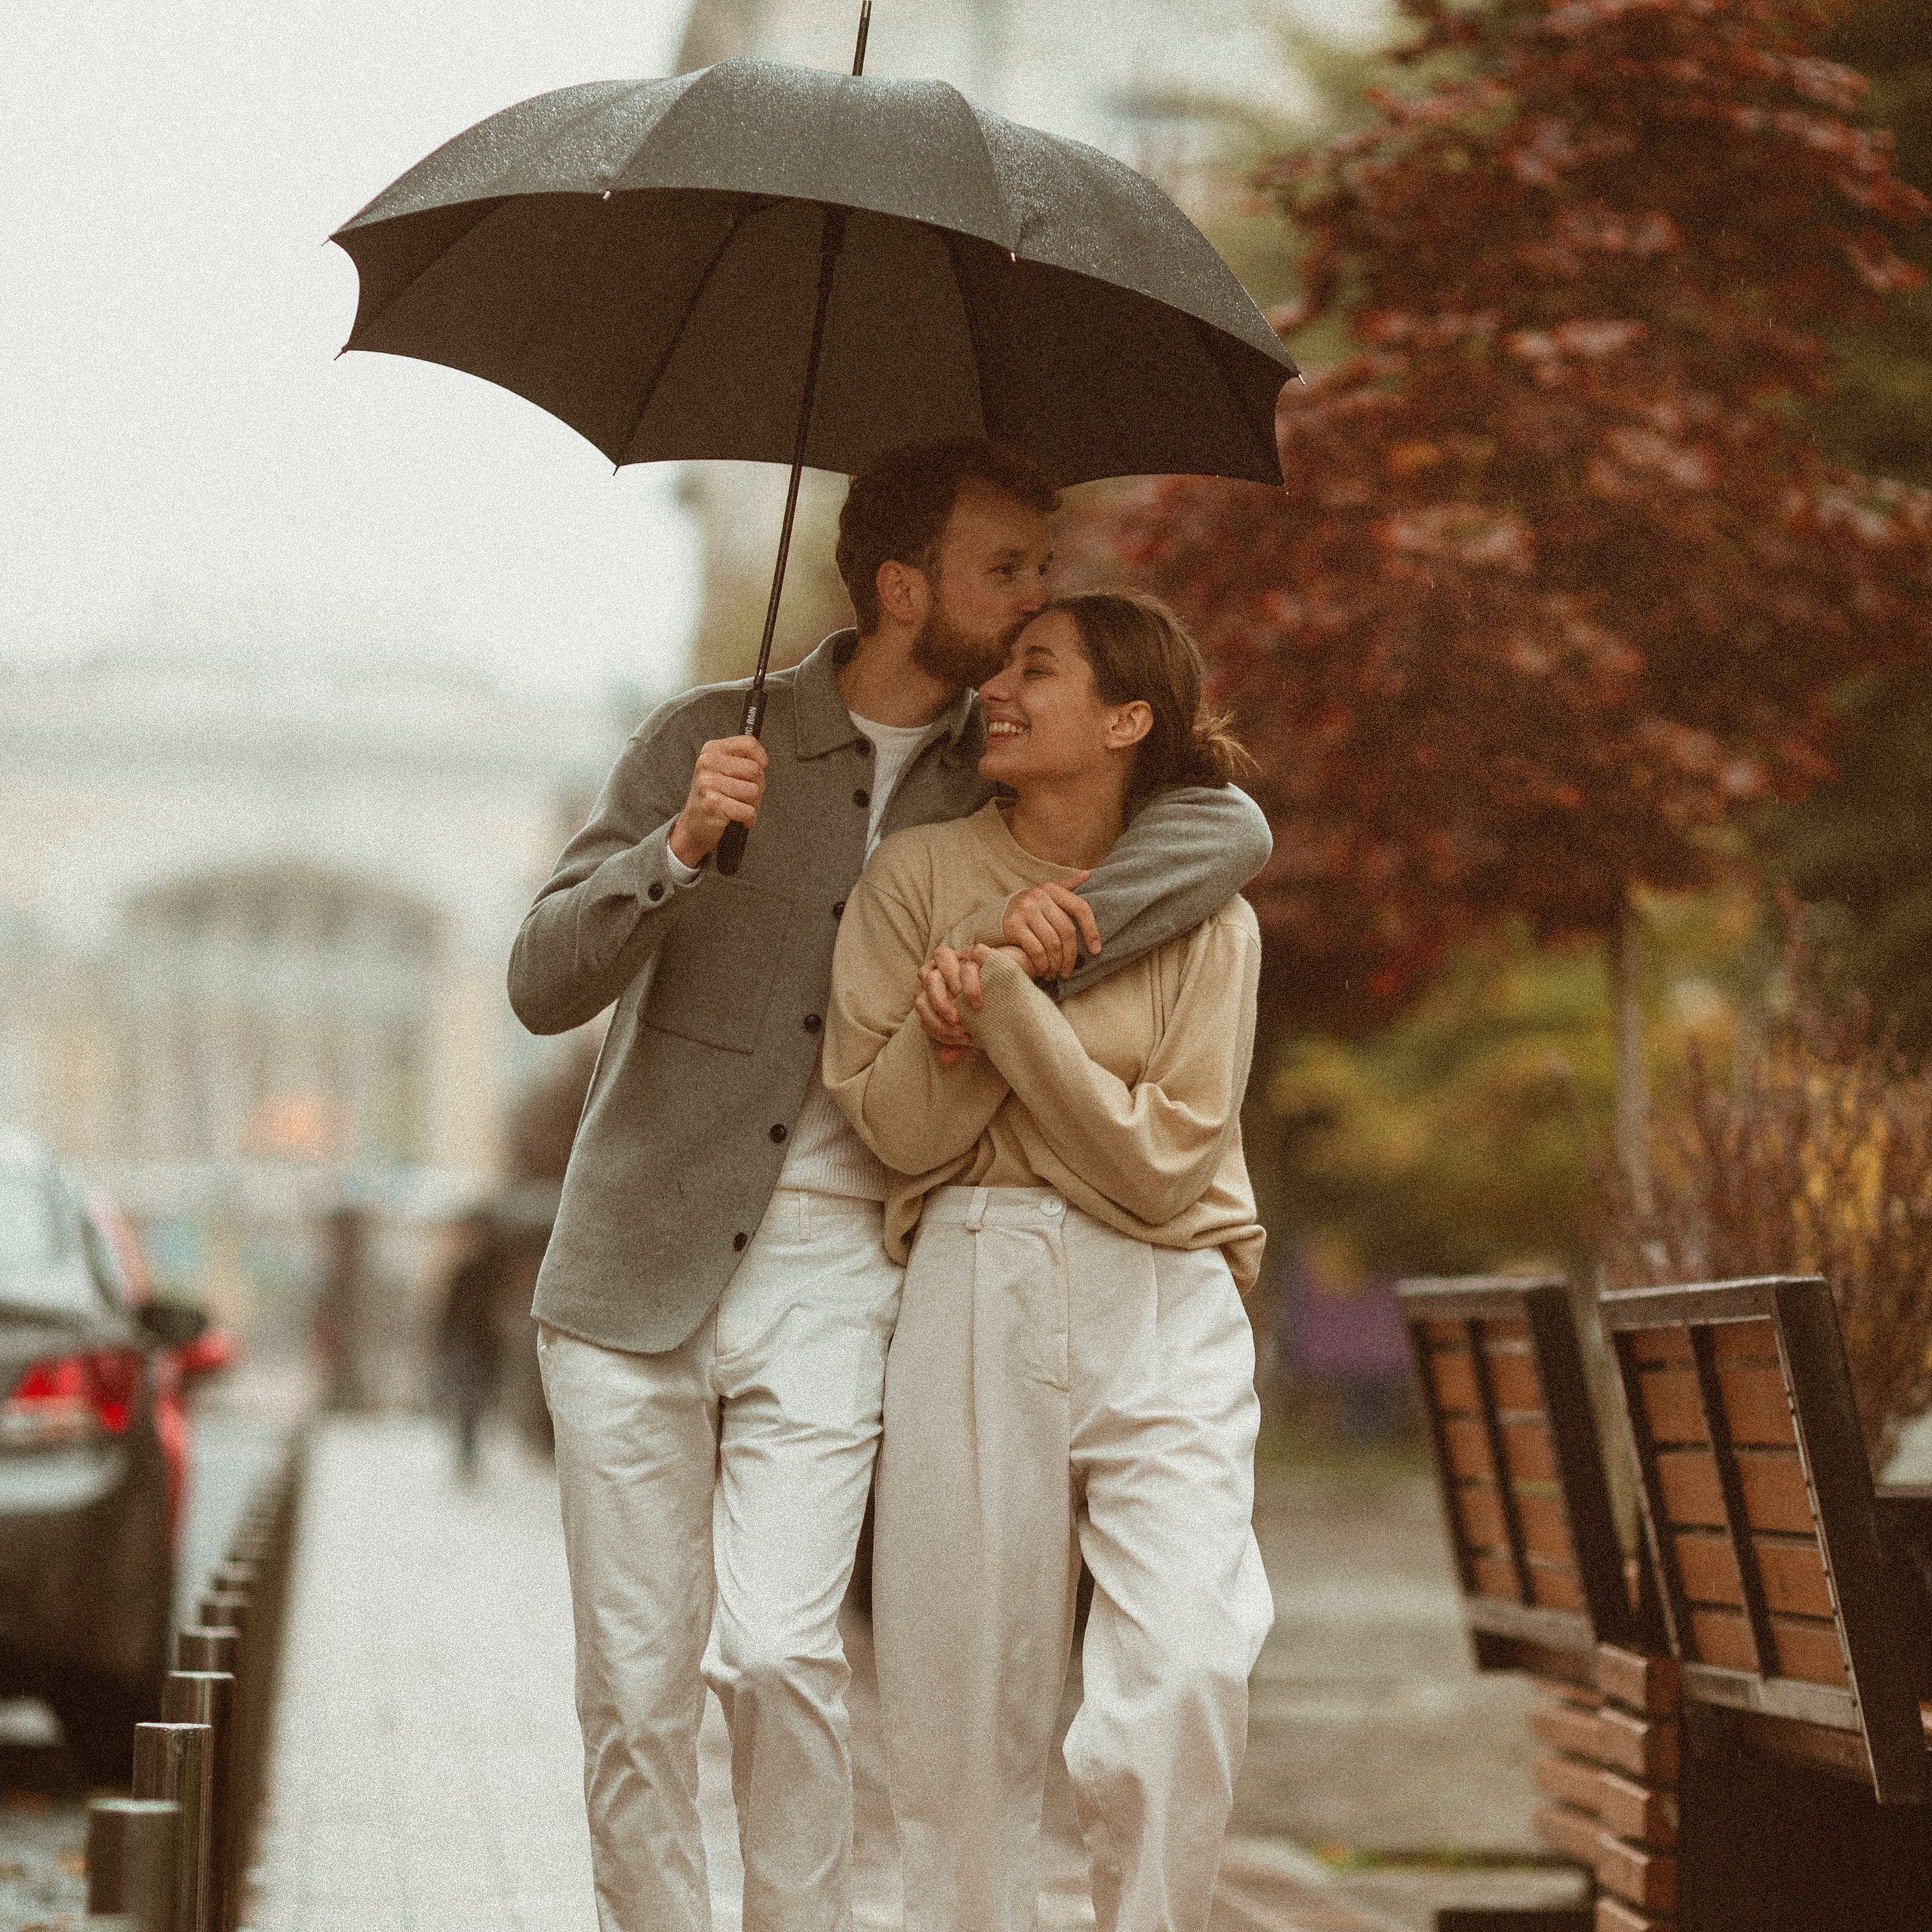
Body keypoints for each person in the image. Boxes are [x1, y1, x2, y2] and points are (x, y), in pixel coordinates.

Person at [506, 440, 1274, 1932]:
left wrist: (1059, 930)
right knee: (635, 1684)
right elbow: (544, 978)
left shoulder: (988, 777)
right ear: (900, 583)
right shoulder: (700, 737)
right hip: (631, 1265)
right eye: (1006, 568)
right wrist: (670, 850)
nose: (1036, 593)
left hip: (842, 1261)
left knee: (780, 1650)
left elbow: (1227, 821)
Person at [824, 591, 1275, 1932]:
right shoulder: (913, 880)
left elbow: (1161, 1168)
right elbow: (901, 1130)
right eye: (1003, 669)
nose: (998, 694)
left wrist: (1007, 1013)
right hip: (973, 1284)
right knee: (961, 1705)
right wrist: (969, 1043)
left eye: (1040, 670)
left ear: (1129, 719)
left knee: (1192, 1664)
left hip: (1169, 1297)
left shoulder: (1213, 919)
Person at [436, 1209, 505, 1481]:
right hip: (468, 1345)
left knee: (472, 1404)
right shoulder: (469, 1273)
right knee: (469, 1404)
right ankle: (467, 1454)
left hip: (478, 1346)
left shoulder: (486, 1272)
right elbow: (449, 1313)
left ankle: (469, 1454)